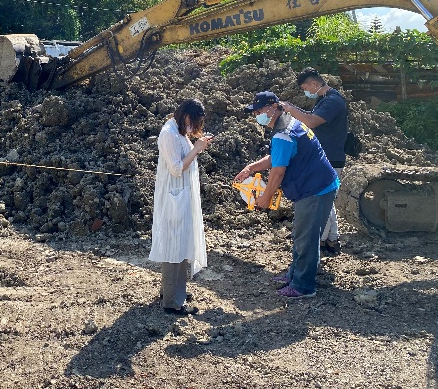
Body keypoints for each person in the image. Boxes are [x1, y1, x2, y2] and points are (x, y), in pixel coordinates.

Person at [234, 92, 339, 299]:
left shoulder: (283, 133)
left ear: (273, 107)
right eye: (255, 112)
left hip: (315, 189)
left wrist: (265, 198)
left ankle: (303, 286)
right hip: (318, 183)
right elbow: (277, 157)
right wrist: (251, 167)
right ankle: (294, 274)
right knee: (303, 234)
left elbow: (278, 171)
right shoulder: (290, 122)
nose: (257, 115)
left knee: (306, 237)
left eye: (260, 110)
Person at [149, 98, 213, 316]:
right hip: (173, 197)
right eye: (194, 123)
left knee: (181, 243)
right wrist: (196, 149)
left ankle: (174, 290)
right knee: (173, 247)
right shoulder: (168, 134)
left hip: (182, 196)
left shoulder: (179, 130)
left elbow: (184, 157)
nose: (194, 128)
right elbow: (176, 168)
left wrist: (197, 146)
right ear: (186, 117)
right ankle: (172, 301)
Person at [281, 68, 348, 254]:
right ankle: (331, 240)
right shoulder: (324, 99)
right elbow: (308, 116)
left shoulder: (333, 101)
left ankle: (320, 241)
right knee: (327, 199)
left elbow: (310, 121)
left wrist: (290, 109)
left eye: (305, 87)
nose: (305, 91)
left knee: (322, 200)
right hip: (325, 156)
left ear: (314, 83)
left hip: (331, 157)